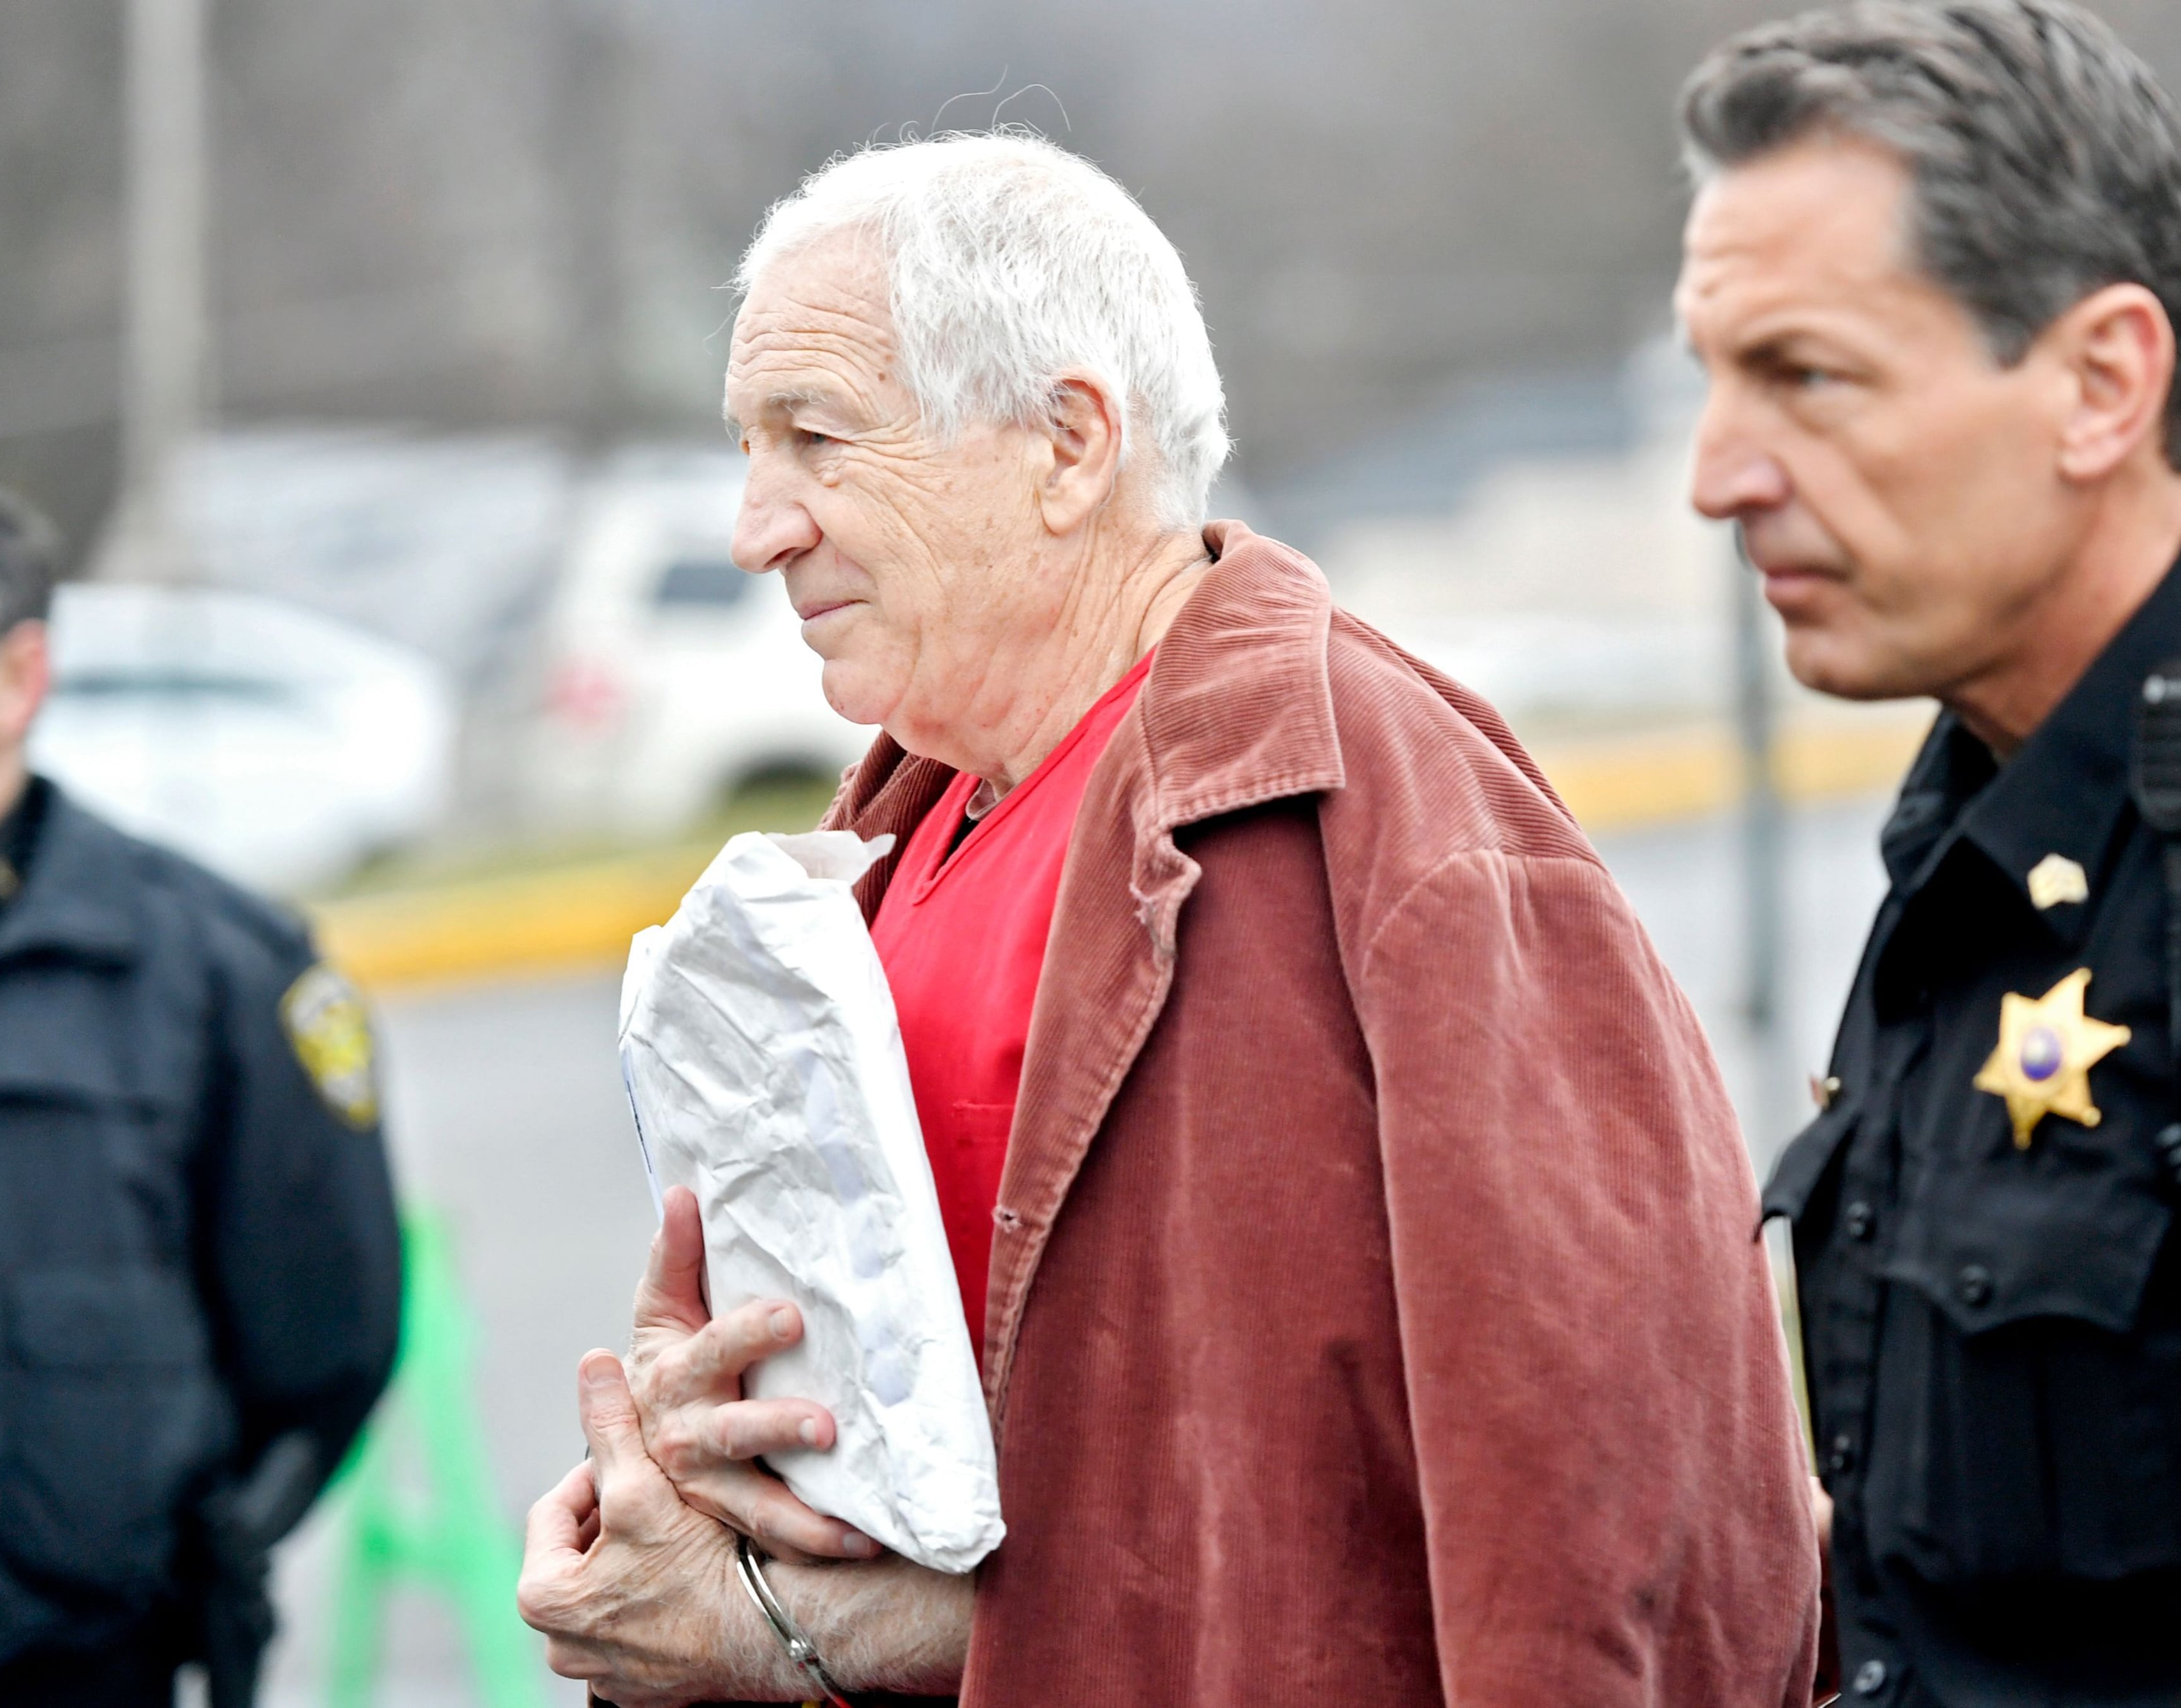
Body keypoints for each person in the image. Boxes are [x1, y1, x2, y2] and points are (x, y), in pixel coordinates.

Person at [516, 133, 1819, 1705]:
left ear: (1069, 443)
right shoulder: (887, 841)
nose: (755, 527)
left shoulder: (1398, 823)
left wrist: (792, 1634)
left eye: (818, 437)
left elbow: (1611, 1534)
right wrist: (711, 1484)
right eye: (749, 448)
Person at [1678, 3, 2181, 1702]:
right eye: (1714, 375)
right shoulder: (1982, 823)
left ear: (2102, 383)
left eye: (1808, 376)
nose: (1718, 475)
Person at [0, 471, 402, 1707]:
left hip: (40, 1660)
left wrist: (154, 1557)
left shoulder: (208, 963)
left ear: (16, 679)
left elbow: (324, 1342)